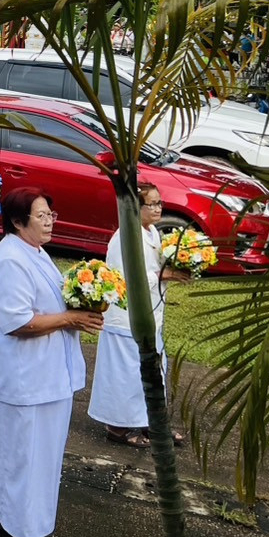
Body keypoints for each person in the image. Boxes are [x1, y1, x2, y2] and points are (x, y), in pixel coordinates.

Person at [0, 188, 101, 537]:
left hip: (41, 375)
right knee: (31, 457)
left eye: (51, 213)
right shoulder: (13, 259)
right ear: (18, 221)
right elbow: (17, 322)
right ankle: (28, 535)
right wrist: (72, 318)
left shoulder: (34, 251)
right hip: (28, 378)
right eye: (41, 215)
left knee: (14, 450)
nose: (49, 221)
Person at [88, 184, 189, 447]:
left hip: (151, 314)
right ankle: (118, 426)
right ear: (135, 208)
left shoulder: (152, 232)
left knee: (151, 370)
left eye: (159, 203)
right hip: (126, 317)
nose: (157, 209)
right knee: (126, 373)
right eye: (151, 204)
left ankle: (150, 421)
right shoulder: (124, 238)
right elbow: (124, 278)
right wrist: (163, 275)